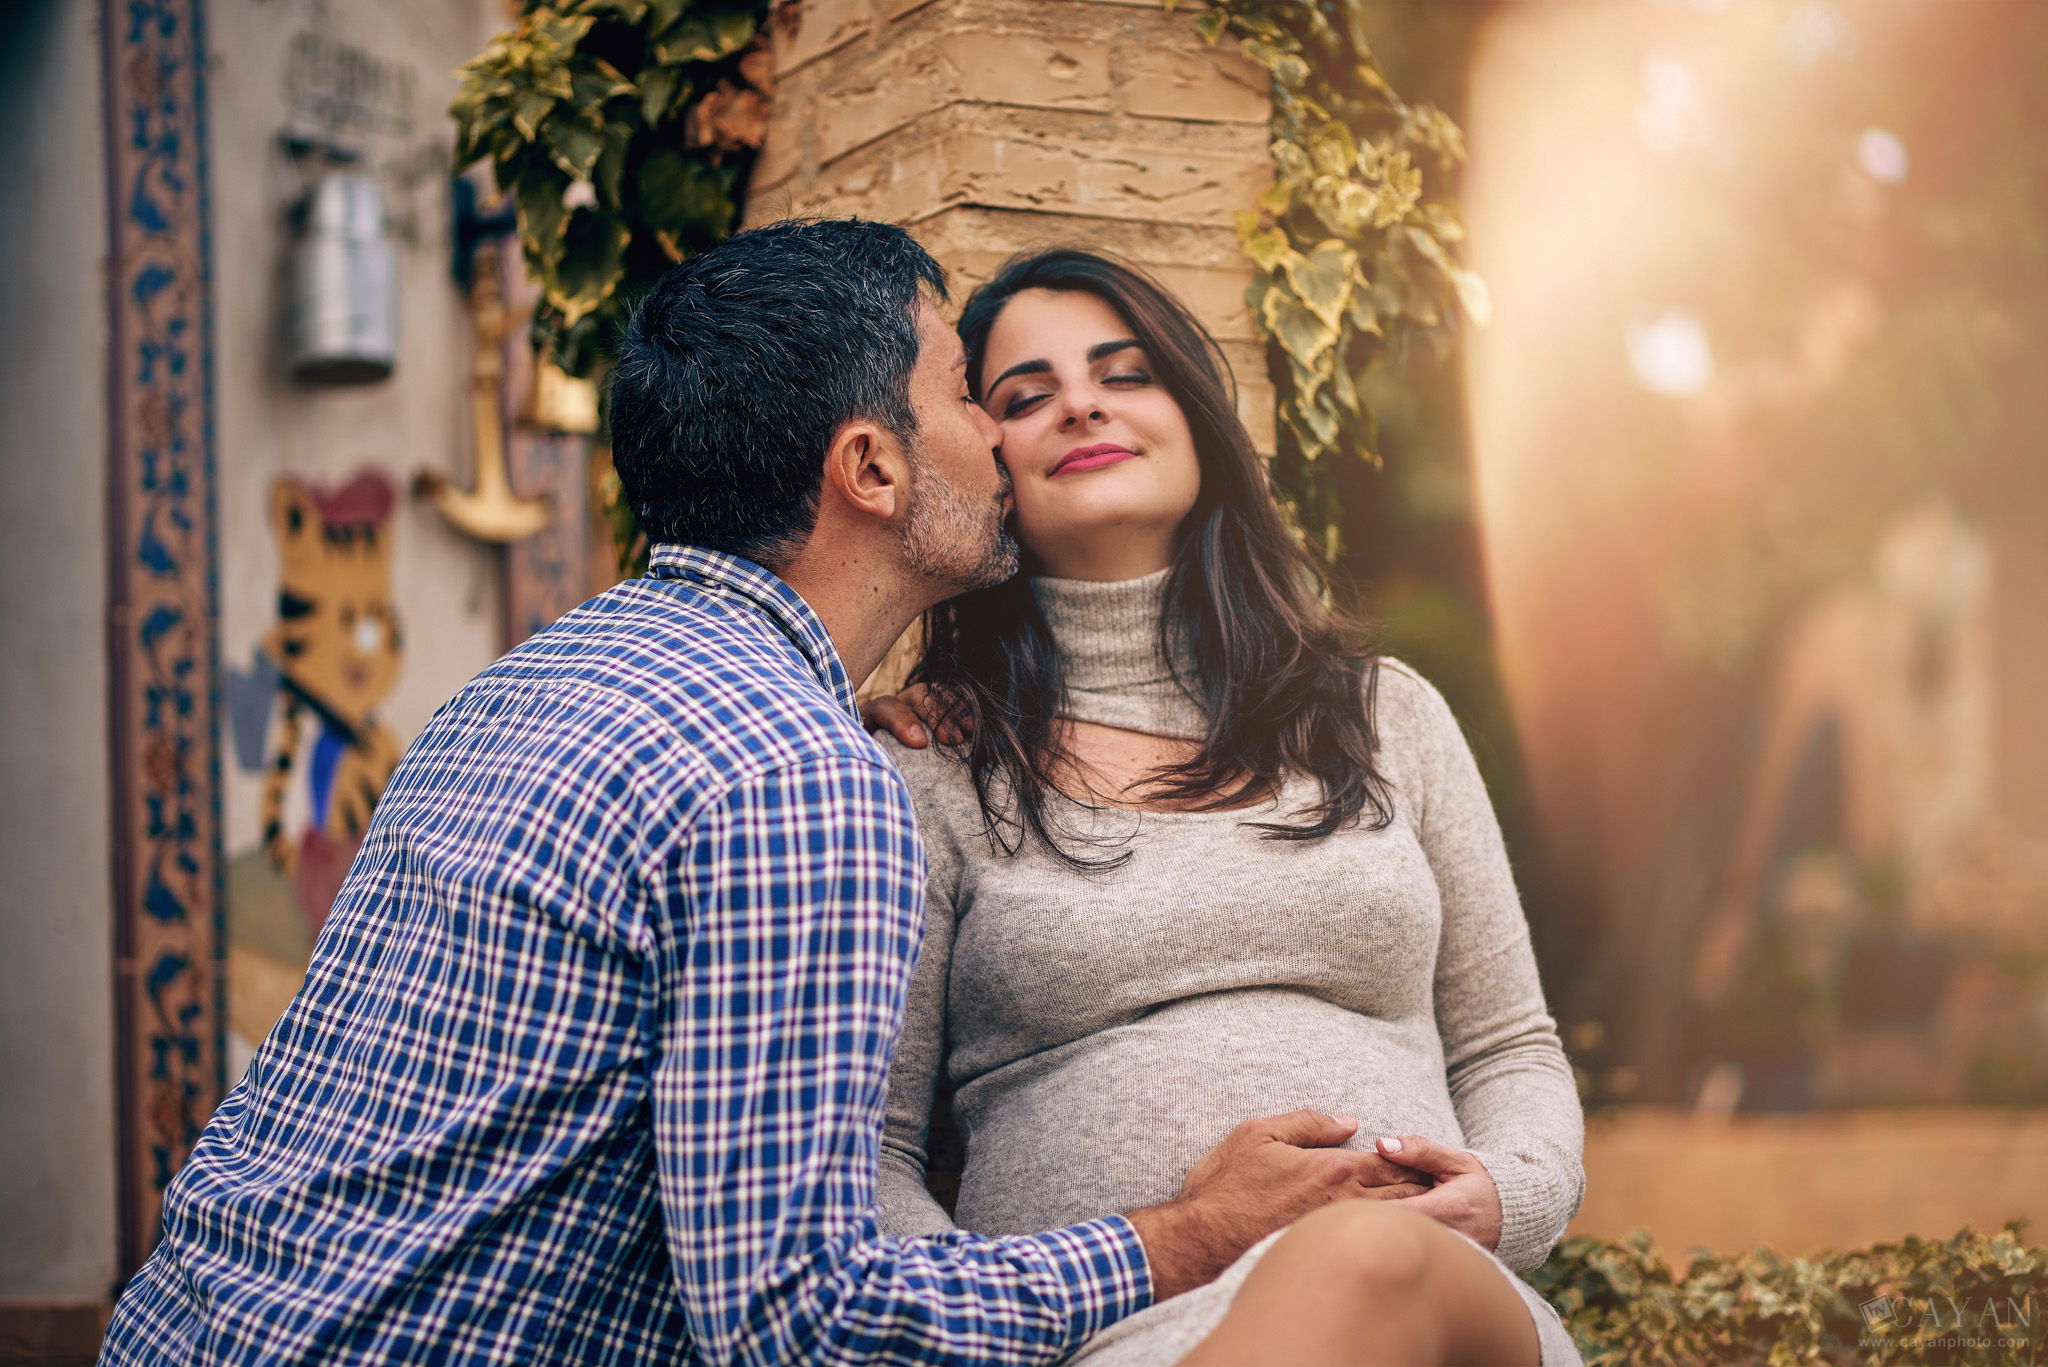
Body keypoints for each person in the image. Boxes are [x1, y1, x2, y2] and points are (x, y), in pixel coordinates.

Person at [98, 220, 1410, 1367]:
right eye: (968, 393)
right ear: (874, 468)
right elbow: (800, 1320)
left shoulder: (519, 688)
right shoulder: (795, 780)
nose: (1002, 438)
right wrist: (1186, 1232)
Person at [861, 248, 1588, 1367]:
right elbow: (870, 1155)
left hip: (1431, 1306)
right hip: (1100, 1336)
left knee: (1361, 1259)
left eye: (1124, 371)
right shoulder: (932, 764)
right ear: (986, 459)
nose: (1081, 402)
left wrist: (1508, 1196)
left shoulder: (1383, 715)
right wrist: (1004, 1321)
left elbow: (1507, 1045)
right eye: (1023, 394)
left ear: (1194, 414)